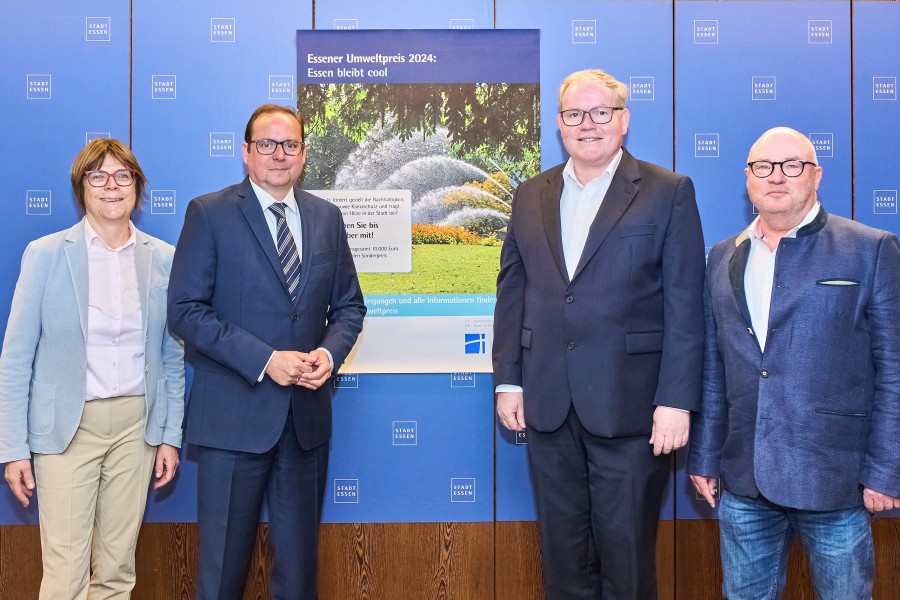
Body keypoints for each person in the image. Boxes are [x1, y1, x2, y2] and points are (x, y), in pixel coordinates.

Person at [493, 69, 706, 599]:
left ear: (623, 120)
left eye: (600, 112)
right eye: (574, 114)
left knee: (628, 565)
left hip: (633, 413)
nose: (587, 124)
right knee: (563, 564)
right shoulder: (528, 194)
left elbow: (686, 304)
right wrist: (508, 382)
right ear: (560, 124)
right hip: (548, 407)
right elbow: (511, 294)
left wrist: (676, 401)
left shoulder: (668, 192)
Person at [688, 127, 900, 599]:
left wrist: (886, 470)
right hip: (744, 480)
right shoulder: (723, 257)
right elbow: (712, 366)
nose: (776, 177)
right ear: (748, 178)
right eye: (763, 167)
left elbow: (894, 368)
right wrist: (704, 455)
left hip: (836, 479)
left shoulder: (871, 249)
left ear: (816, 175)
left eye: (792, 166)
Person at [168, 104, 366, 599]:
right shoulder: (209, 213)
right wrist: (265, 359)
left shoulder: (327, 217)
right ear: (246, 152)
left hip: (305, 423)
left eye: (290, 145)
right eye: (267, 144)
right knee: (221, 574)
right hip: (233, 421)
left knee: (299, 577)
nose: (279, 154)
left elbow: (349, 307)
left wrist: (328, 354)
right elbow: (185, 311)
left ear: (303, 153)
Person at [0, 138, 184, 599]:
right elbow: (16, 357)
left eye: (123, 176)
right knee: (65, 574)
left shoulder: (163, 258)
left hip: (135, 430)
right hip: (65, 430)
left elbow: (171, 354)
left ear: (137, 187)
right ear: (81, 187)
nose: (111, 186)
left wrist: (169, 434)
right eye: (97, 176)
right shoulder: (45, 255)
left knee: (118, 570)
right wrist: (13, 448)